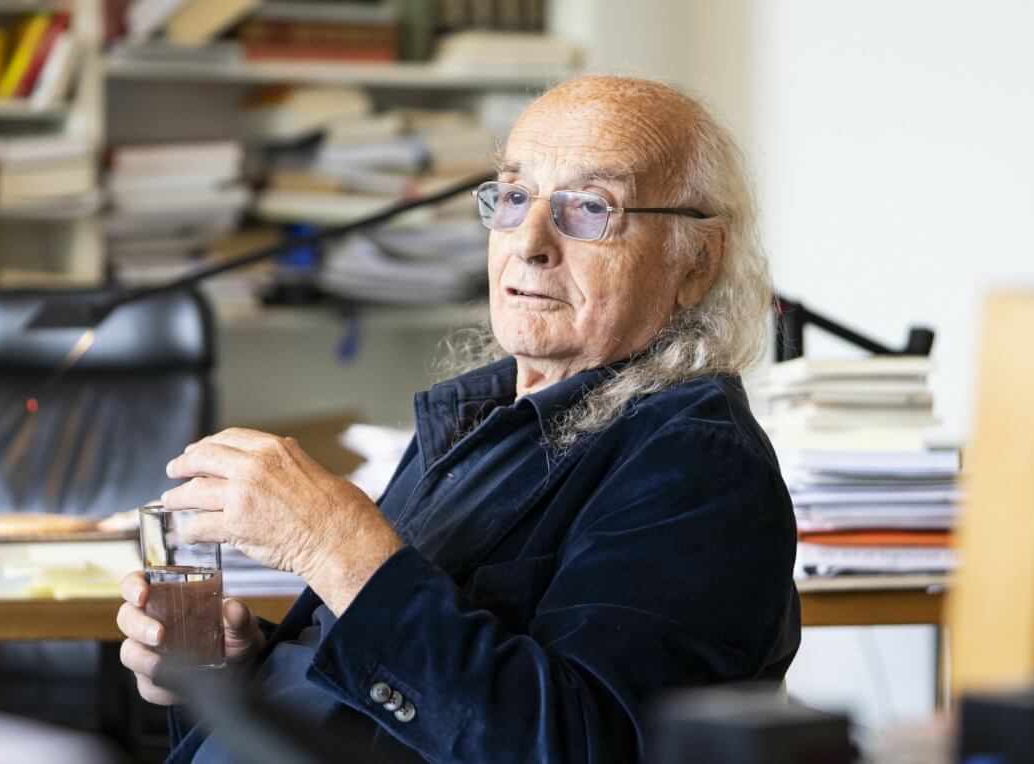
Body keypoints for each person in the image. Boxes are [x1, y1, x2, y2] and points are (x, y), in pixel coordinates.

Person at [117, 75, 801, 763]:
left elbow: (574, 746)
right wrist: (243, 673)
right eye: (513, 196)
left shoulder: (697, 464)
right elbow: (391, 698)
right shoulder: (482, 414)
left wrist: (336, 545)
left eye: (591, 207)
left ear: (698, 262)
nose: (529, 241)